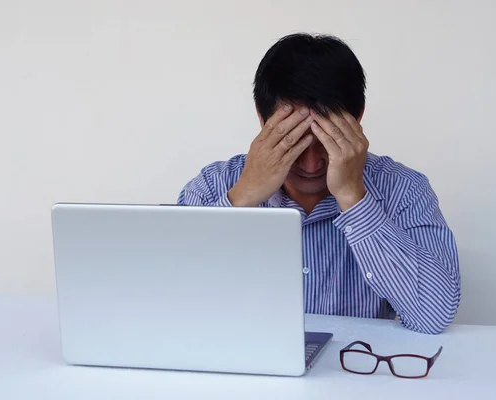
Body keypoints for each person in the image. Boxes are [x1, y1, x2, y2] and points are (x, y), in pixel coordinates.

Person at [177, 33, 460, 334]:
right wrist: (242, 198)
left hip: (355, 371)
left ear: (357, 119)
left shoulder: (403, 190)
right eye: (294, 141)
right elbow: (168, 302)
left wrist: (354, 198)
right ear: (263, 120)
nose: (311, 165)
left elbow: (435, 315)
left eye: (326, 141)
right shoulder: (212, 186)